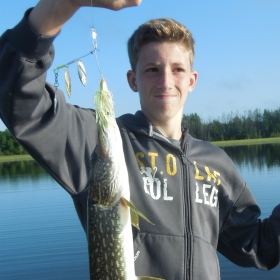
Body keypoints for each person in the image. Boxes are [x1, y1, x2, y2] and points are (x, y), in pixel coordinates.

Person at [0, 0, 280, 279]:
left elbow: (257, 246)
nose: (166, 81)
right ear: (133, 80)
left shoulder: (215, 163)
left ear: (192, 80)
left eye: (178, 69)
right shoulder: (100, 140)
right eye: (152, 70)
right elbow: (22, 100)